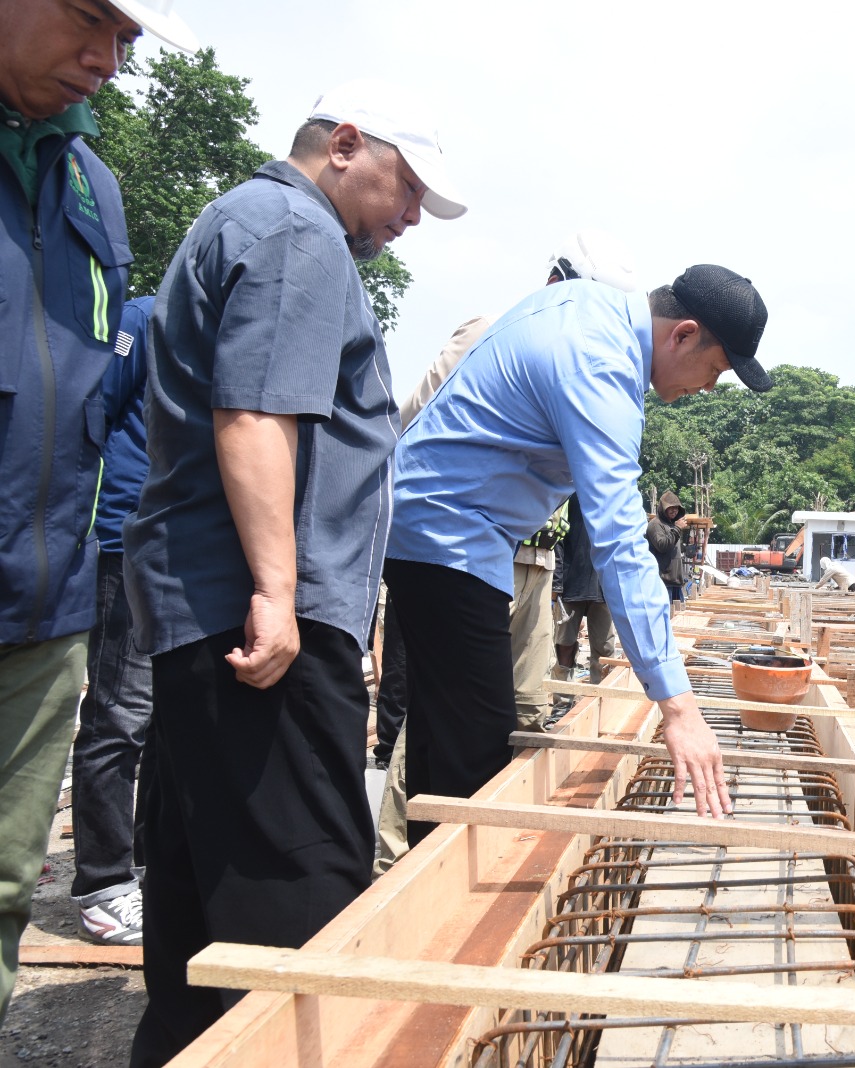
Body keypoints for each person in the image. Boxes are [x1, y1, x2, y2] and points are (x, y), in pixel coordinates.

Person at [121, 81, 465, 1061]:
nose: (407, 219)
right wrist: (277, 591)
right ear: (346, 144)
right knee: (301, 920)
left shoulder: (249, 220)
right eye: (405, 190)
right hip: (257, 622)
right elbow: (256, 413)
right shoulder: (295, 235)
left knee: (201, 926)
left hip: (214, 614)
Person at [385, 264, 773, 842]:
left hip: (454, 534)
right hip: (447, 537)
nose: (709, 387)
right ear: (683, 333)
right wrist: (679, 707)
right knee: (468, 764)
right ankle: (429, 907)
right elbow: (620, 539)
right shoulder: (600, 362)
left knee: (460, 740)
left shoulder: (587, 308)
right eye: (715, 370)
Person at [0, 0, 195, 1025]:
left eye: (127, 39)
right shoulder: (161, 325)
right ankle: (105, 876)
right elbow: (108, 407)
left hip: (63, 579)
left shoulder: (89, 190)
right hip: (108, 542)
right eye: (91, 21)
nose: (108, 60)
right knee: (120, 715)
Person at [71, 296, 156, 948]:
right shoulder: (146, 321)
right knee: (118, 715)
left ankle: (147, 863)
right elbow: (91, 414)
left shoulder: (231, 330)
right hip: (124, 539)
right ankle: (101, 885)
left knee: (160, 714)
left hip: (177, 549)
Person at [553, 498, 617, 684]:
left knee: (604, 648)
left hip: (602, 585)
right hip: (572, 582)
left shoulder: (610, 496)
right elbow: (558, 539)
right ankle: (563, 699)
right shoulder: (568, 496)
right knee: (565, 644)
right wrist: (557, 584)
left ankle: (601, 696)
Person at [646, 491, 691, 611]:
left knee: (679, 617)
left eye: (676, 508)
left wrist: (676, 528)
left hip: (675, 581)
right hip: (663, 582)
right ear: (663, 508)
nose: (674, 511)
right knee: (665, 618)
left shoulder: (672, 525)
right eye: (671, 508)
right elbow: (662, 546)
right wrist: (677, 529)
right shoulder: (655, 525)